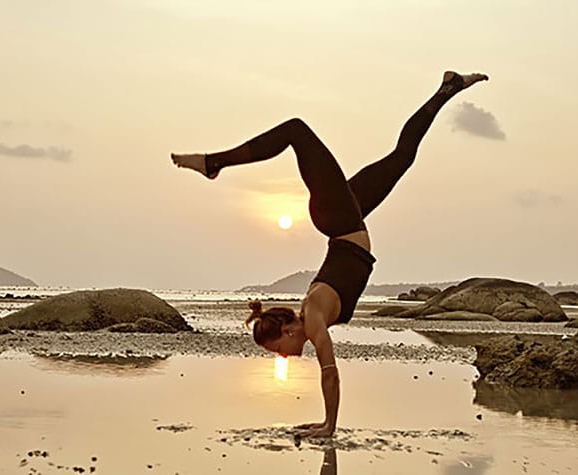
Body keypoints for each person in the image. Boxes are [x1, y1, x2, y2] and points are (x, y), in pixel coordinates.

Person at [171, 70, 488, 437]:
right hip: (344, 220)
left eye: (279, 348)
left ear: (289, 329)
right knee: (402, 158)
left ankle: (214, 163)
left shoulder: (314, 316)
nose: (284, 356)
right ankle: (448, 88)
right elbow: (329, 373)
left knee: (296, 130)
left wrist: (329, 427)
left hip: (338, 220)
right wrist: (326, 424)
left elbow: (331, 374)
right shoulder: (311, 312)